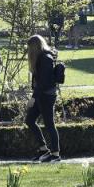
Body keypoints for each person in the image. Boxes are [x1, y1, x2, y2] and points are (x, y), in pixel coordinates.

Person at [25, 35, 60, 163]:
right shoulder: (41, 57)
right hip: (41, 94)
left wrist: (33, 98)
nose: (28, 51)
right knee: (30, 120)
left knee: (49, 123)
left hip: (46, 95)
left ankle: (55, 154)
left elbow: (43, 82)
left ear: (35, 47)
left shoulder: (45, 59)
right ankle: (43, 149)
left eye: (29, 48)